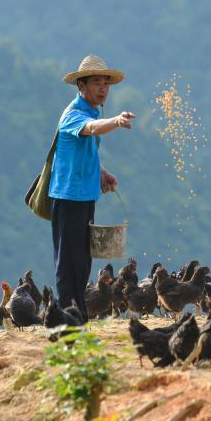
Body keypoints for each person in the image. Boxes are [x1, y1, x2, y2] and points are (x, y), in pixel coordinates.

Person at [48, 55, 135, 323]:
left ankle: (79, 316)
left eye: (106, 83)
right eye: (96, 83)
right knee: (68, 261)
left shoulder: (92, 111)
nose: (103, 89)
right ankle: (65, 318)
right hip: (68, 196)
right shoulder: (74, 115)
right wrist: (116, 121)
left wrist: (101, 173)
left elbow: (89, 147)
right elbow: (91, 129)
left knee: (83, 261)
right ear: (81, 86)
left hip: (86, 195)